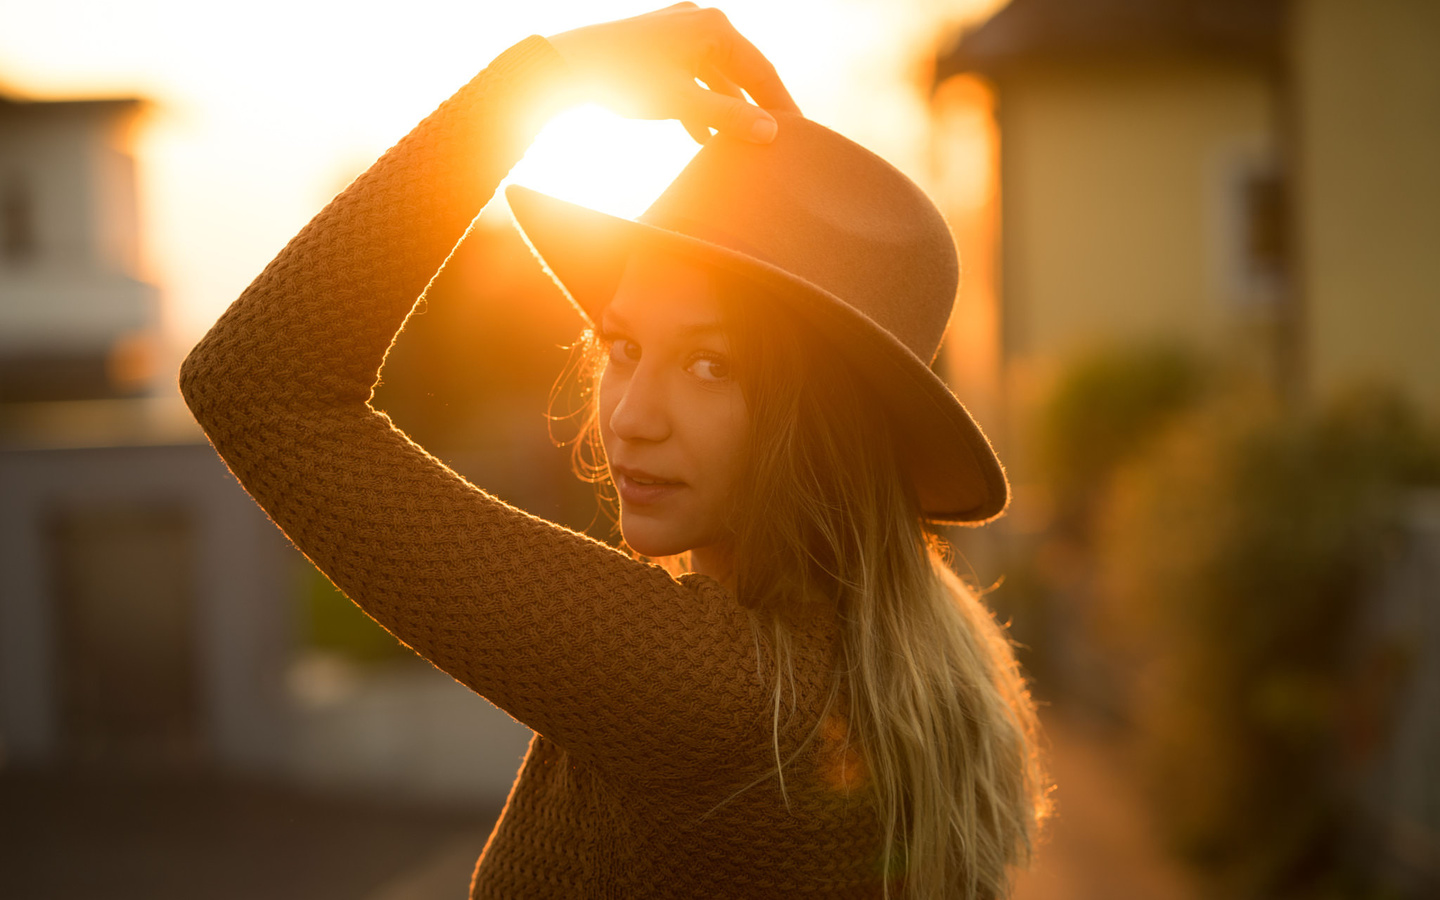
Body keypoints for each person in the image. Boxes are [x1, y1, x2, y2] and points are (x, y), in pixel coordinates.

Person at [179, 3, 1050, 897]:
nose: (631, 414)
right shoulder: (929, 657)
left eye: (712, 364)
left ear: (829, 423)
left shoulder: (720, 696)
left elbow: (257, 385)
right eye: (623, 347)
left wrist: (543, 80)